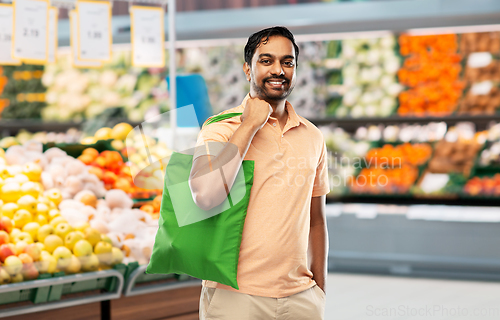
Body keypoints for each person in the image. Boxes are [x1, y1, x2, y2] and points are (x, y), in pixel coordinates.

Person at [189, 26, 330, 320]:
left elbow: (316, 219)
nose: (278, 70)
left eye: (287, 62)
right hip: (235, 298)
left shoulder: (312, 136)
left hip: (301, 299)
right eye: (266, 61)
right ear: (247, 69)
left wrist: (319, 290)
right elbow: (205, 196)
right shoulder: (219, 129)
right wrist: (249, 125)